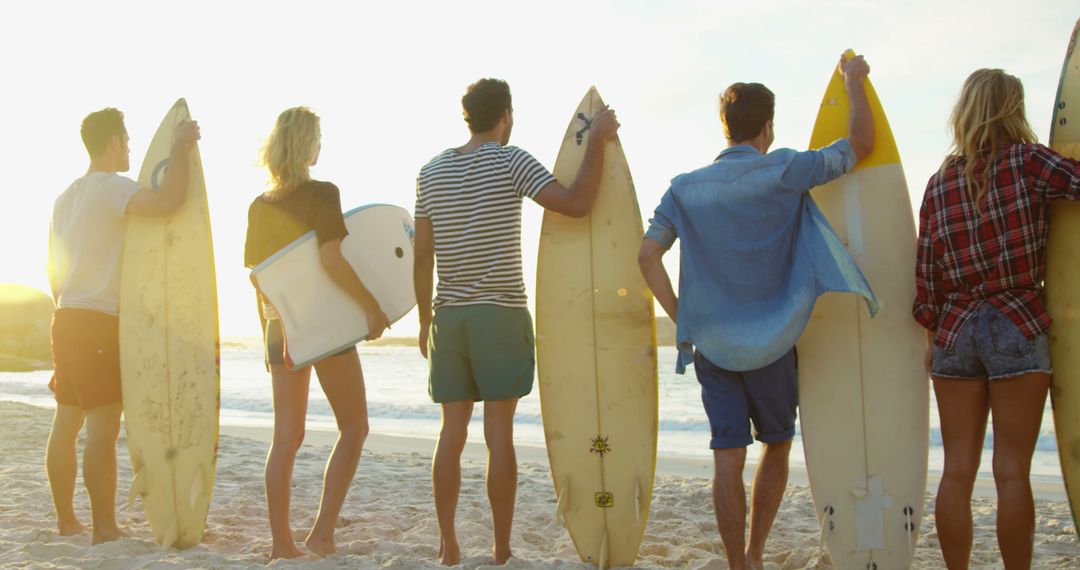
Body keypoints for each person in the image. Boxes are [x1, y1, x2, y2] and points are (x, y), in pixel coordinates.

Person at [637, 55, 877, 570]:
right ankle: (756, 551)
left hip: (715, 347)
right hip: (774, 342)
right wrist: (854, 82)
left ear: (724, 128)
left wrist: (684, 318)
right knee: (777, 443)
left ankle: (735, 563)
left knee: (727, 458)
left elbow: (647, 255)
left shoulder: (684, 187)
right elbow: (860, 146)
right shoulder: (787, 168)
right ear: (767, 126)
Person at [413, 78, 618, 565]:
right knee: (498, 434)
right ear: (505, 114)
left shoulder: (430, 172)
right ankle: (501, 549)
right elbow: (576, 203)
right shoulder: (511, 160)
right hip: (500, 314)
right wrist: (597, 141)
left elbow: (422, 257)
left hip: (449, 317)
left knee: (452, 432)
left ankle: (448, 546)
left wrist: (425, 321)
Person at [913, 68, 1080, 570]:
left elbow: (926, 276)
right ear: (1013, 109)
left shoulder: (939, 182)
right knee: (1011, 472)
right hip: (1017, 322)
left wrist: (933, 334)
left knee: (956, 470)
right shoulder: (1030, 162)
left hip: (955, 330)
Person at [46, 108, 200, 544]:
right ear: (113, 142)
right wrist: (180, 149)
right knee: (102, 428)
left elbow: (52, 268)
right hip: (97, 322)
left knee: (66, 422)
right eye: (128, 140)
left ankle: (66, 521)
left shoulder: (65, 198)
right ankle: (104, 529)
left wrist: (68, 303)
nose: (131, 148)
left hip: (66, 314)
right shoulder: (112, 189)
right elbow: (169, 204)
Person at [243, 107, 389, 560]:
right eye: (318, 137)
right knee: (355, 427)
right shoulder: (323, 193)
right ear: (308, 145)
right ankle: (321, 534)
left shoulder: (258, 205)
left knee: (285, 438)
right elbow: (331, 259)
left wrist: (272, 333)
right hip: (323, 325)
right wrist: (371, 307)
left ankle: (281, 544)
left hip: (279, 324)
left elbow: (259, 278)